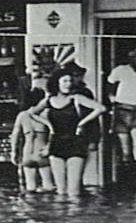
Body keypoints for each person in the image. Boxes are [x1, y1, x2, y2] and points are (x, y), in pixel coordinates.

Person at [30, 69, 106, 197]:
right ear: (56, 83)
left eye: (70, 81)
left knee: (74, 191)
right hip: (56, 143)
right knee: (61, 190)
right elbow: (32, 112)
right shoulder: (49, 101)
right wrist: (49, 125)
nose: (68, 84)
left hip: (75, 143)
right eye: (64, 81)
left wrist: (82, 122)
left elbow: (101, 108)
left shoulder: (76, 98)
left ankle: (75, 215)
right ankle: (61, 216)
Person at [10, 88, 54, 193]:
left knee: (30, 187)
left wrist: (14, 152)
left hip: (27, 153)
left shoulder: (22, 115)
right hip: (42, 151)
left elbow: (15, 135)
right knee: (48, 186)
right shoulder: (47, 114)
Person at [107, 48, 136, 164]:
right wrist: (112, 99)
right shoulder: (120, 70)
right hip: (122, 109)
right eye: (131, 56)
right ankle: (126, 171)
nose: (134, 59)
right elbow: (109, 85)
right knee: (124, 145)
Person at [64, 61, 102, 157]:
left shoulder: (84, 93)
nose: (75, 79)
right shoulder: (58, 94)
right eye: (73, 76)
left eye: (78, 76)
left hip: (81, 134)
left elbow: (92, 117)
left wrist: (93, 138)